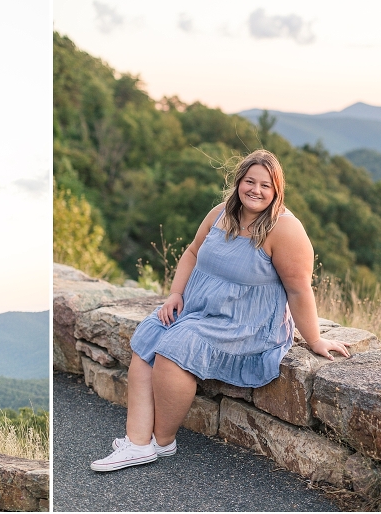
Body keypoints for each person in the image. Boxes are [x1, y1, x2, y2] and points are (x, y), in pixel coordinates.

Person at [91, 150, 351, 472]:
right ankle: (138, 442)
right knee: (149, 335)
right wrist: (175, 294)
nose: (256, 190)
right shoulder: (221, 213)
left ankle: (162, 440)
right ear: (239, 182)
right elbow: (191, 252)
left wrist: (314, 340)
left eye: (265, 185)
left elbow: (299, 290)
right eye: (250, 181)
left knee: (175, 348)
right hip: (199, 309)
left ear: (277, 190)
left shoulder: (286, 230)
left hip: (246, 323)